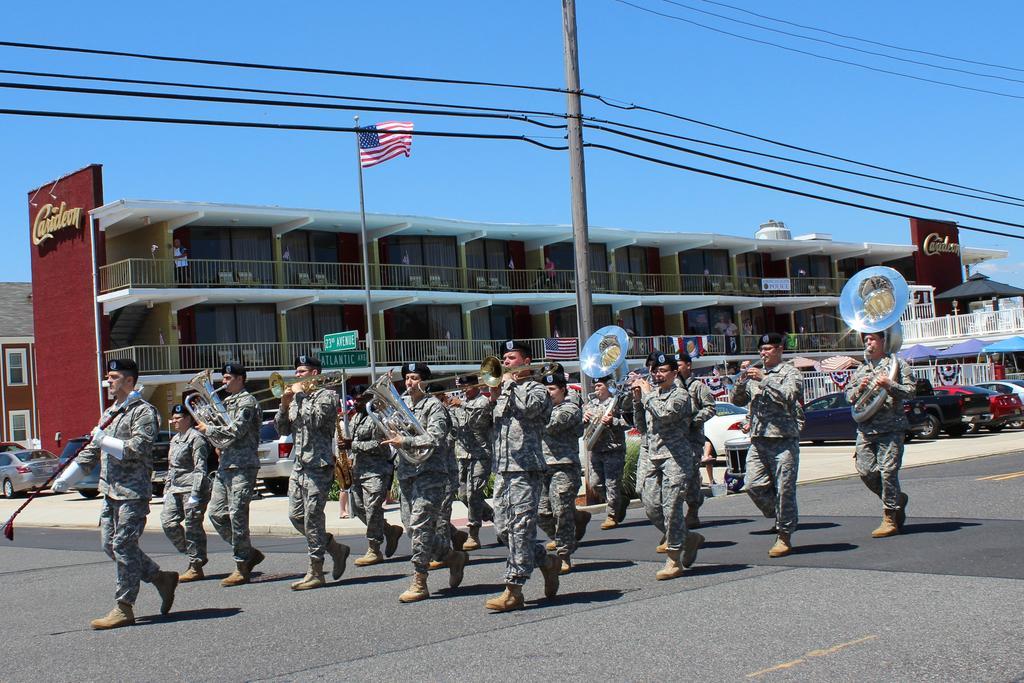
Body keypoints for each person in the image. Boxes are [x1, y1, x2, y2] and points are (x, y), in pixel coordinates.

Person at [52, 359, 178, 629]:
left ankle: (124, 607)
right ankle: (161, 578)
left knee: (123, 545)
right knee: (110, 545)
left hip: (133, 492)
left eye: (114, 377)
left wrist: (104, 440)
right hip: (110, 491)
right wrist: (66, 478)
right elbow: (92, 451)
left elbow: (138, 447)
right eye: (108, 377)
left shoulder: (144, 412)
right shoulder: (110, 413)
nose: (108, 381)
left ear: (129, 381)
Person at [381, 363, 467, 603]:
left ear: (425, 381)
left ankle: (419, 580)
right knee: (411, 528)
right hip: (407, 472)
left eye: (415, 378)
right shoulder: (403, 405)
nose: (409, 382)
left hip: (431, 472)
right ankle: (452, 557)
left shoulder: (434, 406)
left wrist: (405, 441)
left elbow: (436, 437)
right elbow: (394, 432)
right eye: (407, 378)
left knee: (419, 526)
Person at [485, 340, 561, 611]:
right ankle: (547, 561)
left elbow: (529, 409)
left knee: (520, 529)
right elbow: (484, 426)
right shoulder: (504, 391)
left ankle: (513, 590)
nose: (505, 362)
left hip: (526, 468)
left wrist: (508, 386)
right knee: (504, 529)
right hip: (504, 468)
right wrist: (492, 396)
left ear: (526, 362)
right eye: (503, 358)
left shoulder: (537, 389)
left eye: (511, 357)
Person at [275, 355, 351, 590]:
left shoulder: (327, 396)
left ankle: (316, 571)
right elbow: (282, 428)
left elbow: (316, 420)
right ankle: (335, 548)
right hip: (299, 465)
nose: (297, 376)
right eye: (296, 372)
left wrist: (299, 396)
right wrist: (285, 403)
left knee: (313, 517)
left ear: (315, 374)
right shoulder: (297, 398)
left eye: (302, 371)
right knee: (295, 516)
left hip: (318, 466)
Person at [632, 352, 703, 580]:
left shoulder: (681, 395)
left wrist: (645, 396)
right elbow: (642, 426)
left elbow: (664, 414)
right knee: (651, 506)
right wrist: (636, 400)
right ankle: (689, 538)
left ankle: (673, 559)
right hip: (654, 457)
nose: (657, 375)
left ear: (674, 373)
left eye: (662, 371)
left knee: (671, 508)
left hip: (676, 458)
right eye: (655, 371)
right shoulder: (651, 395)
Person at [731, 333, 803, 558]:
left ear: (780, 349)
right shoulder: (754, 375)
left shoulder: (790, 373)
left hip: (783, 439)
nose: (763, 353)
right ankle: (783, 516)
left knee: (784, 489)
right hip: (759, 439)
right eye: (761, 350)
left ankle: (784, 534)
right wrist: (741, 383)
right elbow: (737, 401)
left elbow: (790, 395)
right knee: (752, 485)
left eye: (768, 349)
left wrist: (765, 379)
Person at [197, 362, 265, 586]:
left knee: (237, 515)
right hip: (226, 464)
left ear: (240, 379)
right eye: (223, 378)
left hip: (243, 467)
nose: (223, 382)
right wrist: (213, 437)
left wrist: (210, 430)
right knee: (216, 514)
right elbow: (222, 436)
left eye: (227, 378)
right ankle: (248, 552)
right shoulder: (226, 402)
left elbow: (236, 430)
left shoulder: (247, 402)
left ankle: (242, 565)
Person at [846, 331, 915, 537]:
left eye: (872, 339)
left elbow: (911, 391)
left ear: (883, 341)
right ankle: (896, 500)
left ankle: (889, 518)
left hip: (890, 427)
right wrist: (859, 389)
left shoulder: (898, 365)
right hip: (866, 428)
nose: (868, 343)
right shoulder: (861, 369)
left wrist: (889, 384)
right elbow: (848, 396)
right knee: (866, 472)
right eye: (866, 340)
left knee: (888, 473)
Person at [344, 386, 404, 566]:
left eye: (361, 398)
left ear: (370, 399)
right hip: (359, 470)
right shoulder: (355, 418)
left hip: (376, 471)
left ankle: (374, 548)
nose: (357, 401)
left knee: (372, 509)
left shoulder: (378, 418)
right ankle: (389, 531)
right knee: (358, 508)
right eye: (355, 398)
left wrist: (353, 445)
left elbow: (381, 444)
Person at [538, 372, 584, 574]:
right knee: (541, 513)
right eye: (545, 390)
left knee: (560, 511)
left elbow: (550, 425)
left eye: (552, 389)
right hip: (541, 467)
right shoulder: (541, 410)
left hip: (563, 467)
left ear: (563, 390)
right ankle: (571, 527)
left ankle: (564, 555)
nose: (548, 394)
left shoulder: (569, 409)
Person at [161, 403, 212, 582]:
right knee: (168, 523)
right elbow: (171, 468)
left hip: (191, 488)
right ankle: (194, 553)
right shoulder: (174, 440)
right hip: (175, 489)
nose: (174, 421)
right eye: (173, 418)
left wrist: (196, 494)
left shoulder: (196, 438)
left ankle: (195, 565)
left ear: (188, 419)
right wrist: (166, 489)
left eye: (178, 418)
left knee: (192, 527)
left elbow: (200, 468)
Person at [448, 374, 494, 551]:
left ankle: (473, 534)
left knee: (474, 493)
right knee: (463, 495)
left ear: (476, 385)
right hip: (462, 454)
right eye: (462, 386)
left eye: (467, 386)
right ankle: (493, 515)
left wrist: (462, 405)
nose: (464, 389)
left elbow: (478, 422)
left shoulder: (482, 402)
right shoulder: (459, 404)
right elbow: (454, 429)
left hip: (480, 454)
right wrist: (447, 409)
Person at [584, 375, 630, 530]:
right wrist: (584, 418)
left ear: (607, 386)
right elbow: (584, 426)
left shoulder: (616, 403)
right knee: (596, 484)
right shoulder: (590, 405)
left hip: (613, 449)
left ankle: (612, 515)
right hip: (596, 448)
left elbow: (628, 423)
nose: (596, 389)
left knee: (612, 484)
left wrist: (613, 421)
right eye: (595, 386)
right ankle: (619, 501)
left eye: (599, 386)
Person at [676, 353, 716, 529]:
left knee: (690, 475)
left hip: (692, 439)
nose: (677, 368)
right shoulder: (672, 386)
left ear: (689, 365)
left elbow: (710, 408)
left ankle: (693, 509)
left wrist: (695, 420)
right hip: (675, 439)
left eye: (679, 364)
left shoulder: (698, 386)